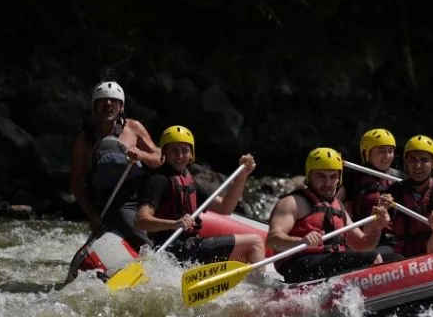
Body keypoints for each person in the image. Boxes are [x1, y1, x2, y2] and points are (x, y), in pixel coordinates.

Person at [267, 147, 404, 284]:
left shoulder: (338, 207)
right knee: (371, 258)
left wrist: (377, 226)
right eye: (321, 176)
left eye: (333, 177)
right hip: (299, 266)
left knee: (396, 259)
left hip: (331, 261)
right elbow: (272, 240)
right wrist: (301, 242)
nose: (327, 183)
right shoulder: (292, 202)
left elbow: (364, 246)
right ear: (309, 175)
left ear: (339, 178)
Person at [133, 125, 265, 267]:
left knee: (246, 252)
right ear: (164, 152)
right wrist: (174, 224)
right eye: (174, 150)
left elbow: (225, 208)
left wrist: (242, 176)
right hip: (174, 250)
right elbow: (140, 221)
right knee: (255, 242)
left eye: (184, 150)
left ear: (191, 154)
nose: (180, 156)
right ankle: (263, 289)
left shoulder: (189, 183)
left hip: (190, 248)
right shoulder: (158, 180)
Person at [69, 80, 161, 250]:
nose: (108, 104)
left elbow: (158, 158)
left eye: (113, 101)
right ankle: (150, 252)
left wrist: (142, 154)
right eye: (102, 101)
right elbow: (75, 182)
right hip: (108, 201)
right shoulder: (85, 139)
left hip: (138, 194)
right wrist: (93, 216)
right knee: (126, 219)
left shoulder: (134, 128)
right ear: (94, 107)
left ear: (121, 107)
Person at [381, 135, 433, 257]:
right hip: (404, 259)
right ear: (406, 163)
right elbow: (379, 231)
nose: (417, 165)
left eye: (424, 160)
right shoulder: (393, 192)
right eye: (413, 159)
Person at [335, 128, 401, 254]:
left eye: (390, 151)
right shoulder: (354, 177)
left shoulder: (398, 178)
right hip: (360, 239)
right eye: (381, 151)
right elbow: (335, 204)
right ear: (367, 153)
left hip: (390, 240)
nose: (387, 156)